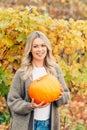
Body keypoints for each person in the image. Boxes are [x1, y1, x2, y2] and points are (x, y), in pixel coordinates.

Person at [7, 31, 70, 130]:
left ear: (47, 48)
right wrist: (30, 105)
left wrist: (60, 96)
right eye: (35, 46)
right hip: (25, 125)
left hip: (48, 124)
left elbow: (66, 95)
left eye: (43, 45)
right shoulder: (22, 72)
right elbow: (12, 101)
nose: (40, 49)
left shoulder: (54, 69)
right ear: (30, 50)